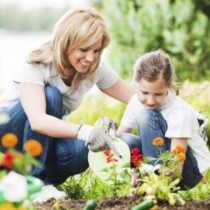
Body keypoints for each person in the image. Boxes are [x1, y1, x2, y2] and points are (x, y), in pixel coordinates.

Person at [0, 7, 136, 201]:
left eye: (96, 50)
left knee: (81, 151)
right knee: (51, 96)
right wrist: (88, 131)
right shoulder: (38, 63)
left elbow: (138, 98)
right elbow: (38, 121)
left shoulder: (94, 68)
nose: (90, 58)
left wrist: (182, 109)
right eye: (84, 49)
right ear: (67, 43)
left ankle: (17, 176)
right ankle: (37, 183)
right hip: (8, 132)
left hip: (41, 142)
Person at [117, 49, 210, 190]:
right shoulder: (136, 101)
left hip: (188, 168)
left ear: (169, 86)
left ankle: (154, 185)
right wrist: (132, 172)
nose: (150, 100)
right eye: (145, 92)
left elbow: (176, 167)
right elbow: (119, 142)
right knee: (123, 140)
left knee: (145, 115)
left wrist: (159, 183)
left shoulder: (179, 111)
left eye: (158, 94)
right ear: (136, 85)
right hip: (158, 158)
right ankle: (146, 179)